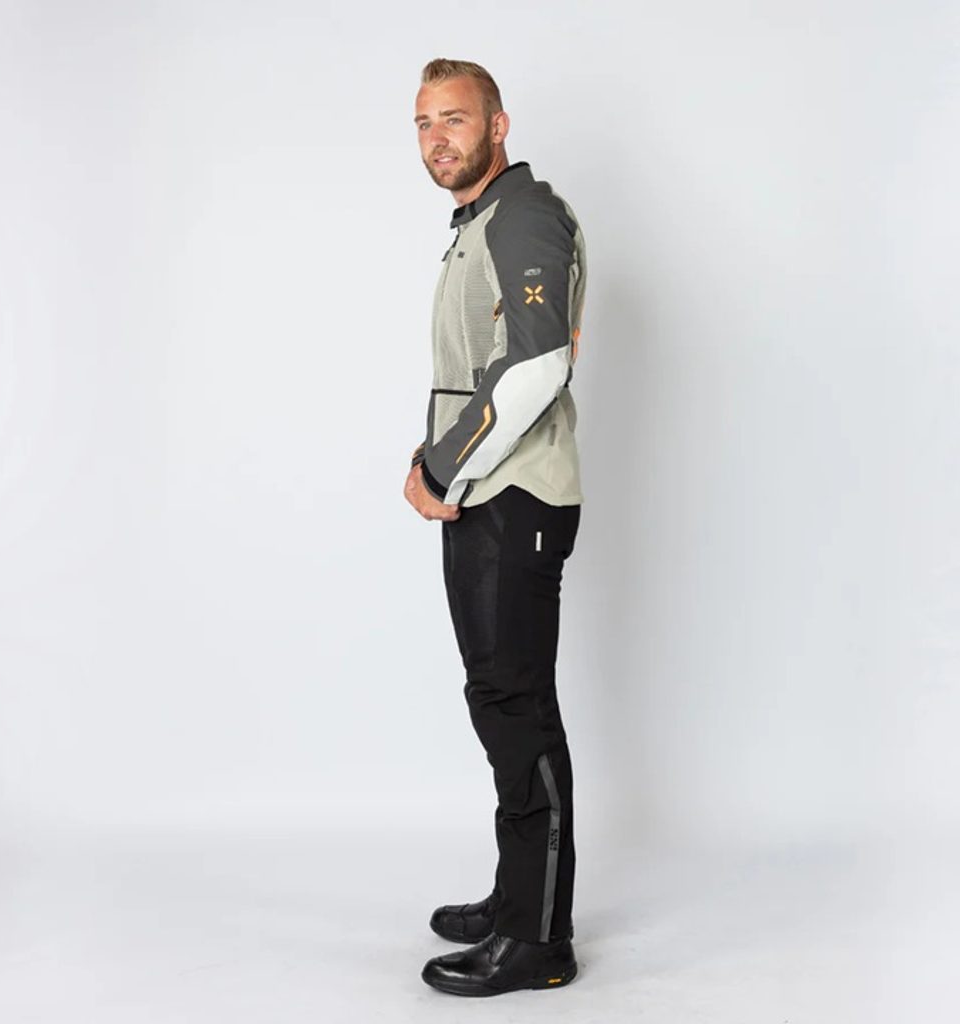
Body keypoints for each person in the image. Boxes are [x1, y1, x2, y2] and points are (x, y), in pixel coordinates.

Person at [404, 57, 588, 998]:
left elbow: (537, 364)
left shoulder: (522, 215)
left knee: (517, 706)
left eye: (456, 118)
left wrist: (440, 467)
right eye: (424, 123)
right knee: (497, 701)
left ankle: (538, 938)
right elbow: (476, 369)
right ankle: (520, 894)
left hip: (515, 497)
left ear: (499, 125)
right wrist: (437, 463)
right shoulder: (480, 223)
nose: (438, 138)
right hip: (484, 492)